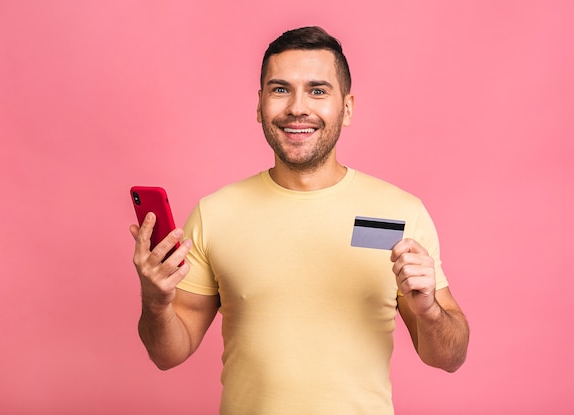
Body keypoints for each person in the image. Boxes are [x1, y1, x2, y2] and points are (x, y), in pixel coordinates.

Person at [130, 26, 469, 415]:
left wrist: (428, 310)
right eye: (280, 89)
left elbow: (450, 357)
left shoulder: (401, 214)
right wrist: (156, 302)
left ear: (347, 107)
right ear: (259, 106)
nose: (297, 107)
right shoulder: (215, 213)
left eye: (318, 90)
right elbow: (167, 354)